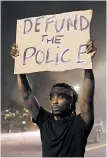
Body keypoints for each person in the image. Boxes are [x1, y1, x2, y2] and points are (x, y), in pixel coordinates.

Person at [11, 40, 96, 157]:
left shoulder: (80, 124)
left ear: (71, 101)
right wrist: (19, 65)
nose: (55, 101)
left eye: (61, 97)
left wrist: (88, 65)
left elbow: (88, 99)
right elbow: (26, 95)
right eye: (52, 97)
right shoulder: (44, 121)